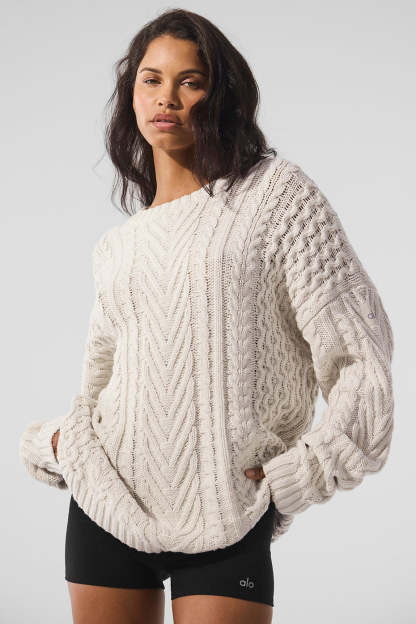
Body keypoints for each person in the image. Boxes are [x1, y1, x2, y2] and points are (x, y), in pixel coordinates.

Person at [18, 8, 395, 624]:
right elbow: (101, 381)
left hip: (228, 510)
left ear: (221, 96)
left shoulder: (278, 198)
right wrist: (61, 442)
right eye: (151, 79)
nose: (167, 97)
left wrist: (303, 473)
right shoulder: (119, 246)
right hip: (106, 504)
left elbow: (360, 357)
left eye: (190, 81)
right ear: (131, 94)